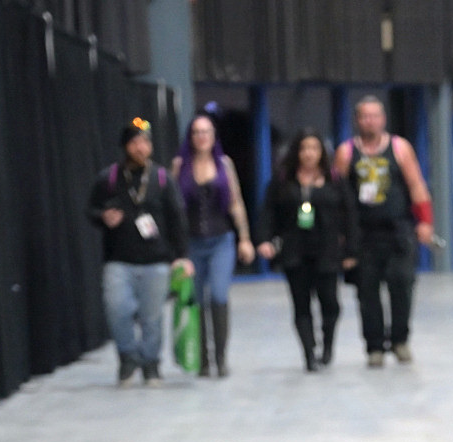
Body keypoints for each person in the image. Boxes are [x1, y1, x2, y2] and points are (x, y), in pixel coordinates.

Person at [88, 118, 190, 386]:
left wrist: (181, 256)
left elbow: (177, 218)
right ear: (125, 146)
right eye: (135, 142)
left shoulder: (162, 178)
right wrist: (103, 217)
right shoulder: (109, 178)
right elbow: (91, 209)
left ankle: (151, 363)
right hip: (118, 260)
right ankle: (127, 356)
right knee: (116, 310)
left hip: (156, 260)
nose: (140, 147)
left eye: (145, 142)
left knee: (151, 317)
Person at [336, 96, 432, 367]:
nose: (370, 121)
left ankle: (400, 340)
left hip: (398, 230)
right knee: (367, 292)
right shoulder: (346, 152)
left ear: (383, 119)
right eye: (365, 116)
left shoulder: (400, 148)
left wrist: (425, 221)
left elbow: (416, 185)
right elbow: (338, 194)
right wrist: (340, 233)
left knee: (402, 285)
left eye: (375, 116)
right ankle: (374, 346)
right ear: (357, 120)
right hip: (363, 234)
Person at [256, 130, 357, 371]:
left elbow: (350, 215)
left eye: (314, 148)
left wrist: (351, 250)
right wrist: (264, 240)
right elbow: (268, 211)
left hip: (327, 249)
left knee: (330, 303)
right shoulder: (283, 180)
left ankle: (327, 346)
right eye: (304, 148)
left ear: (322, 152)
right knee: (301, 304)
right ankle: (309, 353)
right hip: (295, 249)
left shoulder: (334, 179)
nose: (309, 154)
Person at [174, 112, 254, 379]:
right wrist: (175, 249)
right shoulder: (180, 165)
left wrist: (244, 238)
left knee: (219, 295)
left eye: (206, 132)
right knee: (196, 299)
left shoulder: (224, 164)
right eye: (197, 132)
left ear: (213, 136)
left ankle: (221, 357)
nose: (202, 137)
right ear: (190, 136)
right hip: (192, 242)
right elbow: (172, 208)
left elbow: (236, 202)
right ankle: (203, 359)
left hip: (221, 239)